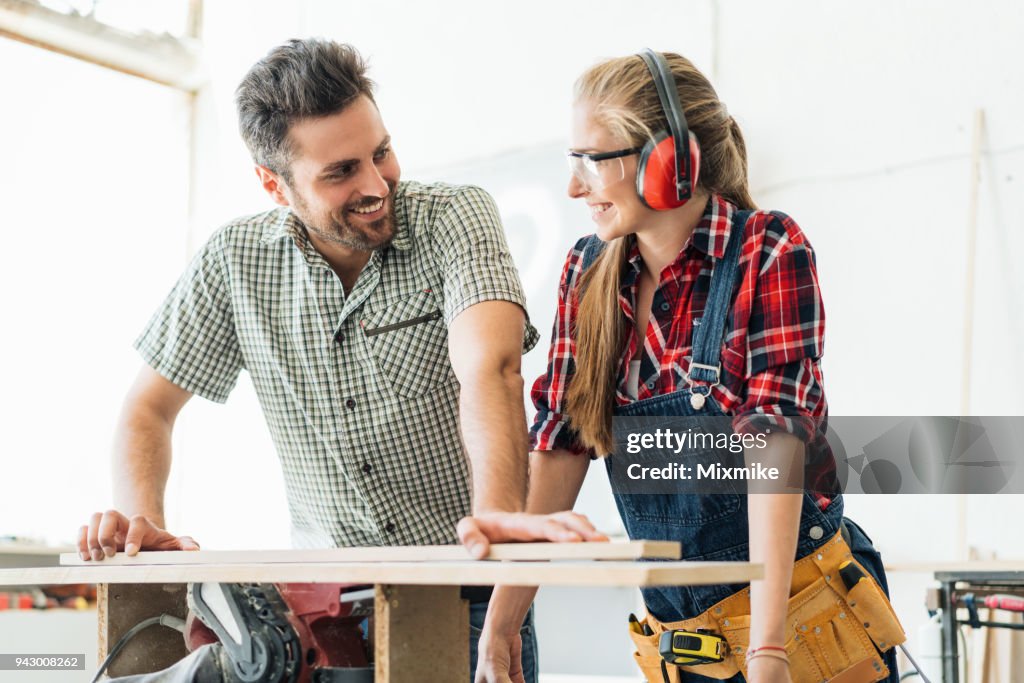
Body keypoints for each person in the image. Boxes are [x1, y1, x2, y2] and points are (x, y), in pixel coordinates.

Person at [73, 38, 596, 683]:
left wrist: (492, 528)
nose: (377, 185)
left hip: (463, 597)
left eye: (381, 152)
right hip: (320, 620)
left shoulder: (454, 218)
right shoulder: (236, 261)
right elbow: (147, 409)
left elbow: (488, 369)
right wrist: (145, 524)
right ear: (275, 185)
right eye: (341, 172)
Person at [463, 51, 901, 683]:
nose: (575, 187)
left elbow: (776, 450)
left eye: (594, 159)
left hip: (804, 621)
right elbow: (560, 446)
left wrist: (769, 648)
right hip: (685, 644)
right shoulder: (587, 273)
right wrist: (501, 623)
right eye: (573, 160)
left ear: (671, 162)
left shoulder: (766, 250)